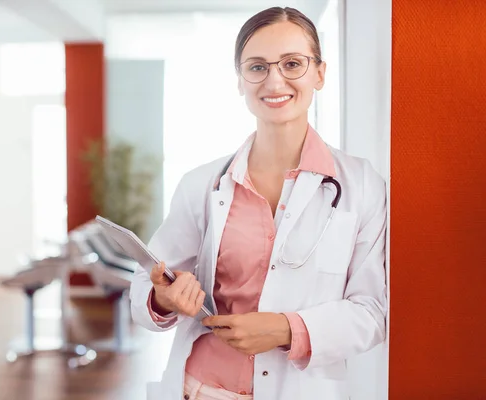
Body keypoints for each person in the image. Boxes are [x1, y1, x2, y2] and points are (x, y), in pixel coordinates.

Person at [130, 6, 387, 400]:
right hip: (200, 388)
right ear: (240, 81)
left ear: (319, 73)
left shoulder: (362, 185)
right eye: (257, 67)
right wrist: (163, 298)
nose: (274, 79)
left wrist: (285, 328)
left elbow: (371, 312)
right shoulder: (202, 184)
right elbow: (148, 282)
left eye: (292, 63)